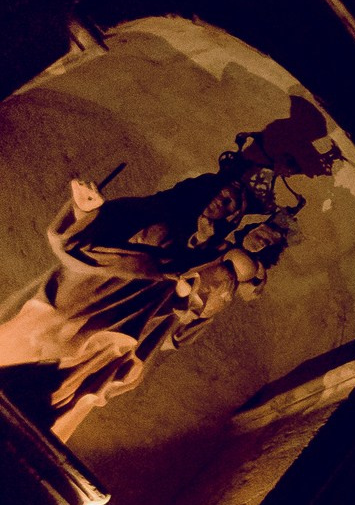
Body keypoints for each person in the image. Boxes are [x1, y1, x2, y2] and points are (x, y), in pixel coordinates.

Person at [0, 136, 305, 442]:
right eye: (218, 193)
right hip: (87, 295)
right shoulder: (159, 211)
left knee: (69, 387)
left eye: (229, 203)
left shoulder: (211, 254)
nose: (219, 202)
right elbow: (96, 227)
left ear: (234, 217)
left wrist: (194, 295)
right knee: (37, 346)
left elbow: (193, 314)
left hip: (124, 324)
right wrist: (83, 210)